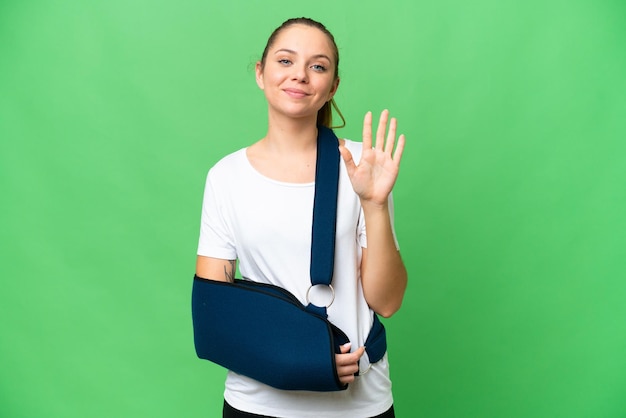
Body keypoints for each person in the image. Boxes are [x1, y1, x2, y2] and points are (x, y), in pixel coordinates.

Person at [195, 17, 407, 418]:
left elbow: (388, 301)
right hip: (256, 404)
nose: (300, 76)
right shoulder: (226, 177)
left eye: (318, 66)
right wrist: (304, 360)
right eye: (285, 61)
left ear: (333, 86)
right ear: (261, 72)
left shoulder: (361, 165)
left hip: (358, 406)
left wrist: (374, 204)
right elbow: (213, 317)